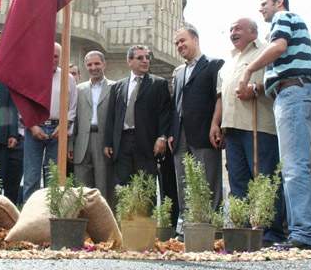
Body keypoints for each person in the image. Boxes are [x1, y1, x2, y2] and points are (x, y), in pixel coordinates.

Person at [238, 0, 311, 250]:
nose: (261, 9)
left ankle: (306, 233)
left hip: (293, 94)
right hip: (293, 93)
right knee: (293, 167)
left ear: (279, 2)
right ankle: (302, 230)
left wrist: (249, 69)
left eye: (264, 3)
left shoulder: (283, 17)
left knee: (294, 168)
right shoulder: (286, 21)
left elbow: (279, 46)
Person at [209, 18, 285, 244]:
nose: (233, 32)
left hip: (258, 127)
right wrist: (216, 123)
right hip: (231, 129)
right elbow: (221, 97)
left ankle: (271, 234)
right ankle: (242, 232)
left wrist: (255, 88)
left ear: (253, 32)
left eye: (238, 29)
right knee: (238, 181)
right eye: (231, 29)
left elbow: (275, 81)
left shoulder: (265, 52)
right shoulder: (228, 62)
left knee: (264, 180)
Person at [168, 25, 224, 238]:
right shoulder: (178, 72)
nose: (180, 45)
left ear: (196, 39)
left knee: (208, 180)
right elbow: (175, 104)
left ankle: (213, 229)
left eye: (183, 40)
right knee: (183, 181)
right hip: (180, 134)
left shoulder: (214, 65)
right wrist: (172, 131)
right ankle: (185, 230)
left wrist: (215, 124)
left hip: (204, 133)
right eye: (177, 43)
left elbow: (219, 97)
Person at [104, 45, 171, 188]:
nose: (145, 61)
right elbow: (111, 116)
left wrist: (162, 137)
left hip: (147, 143)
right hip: (122, 143)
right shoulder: (118, 86)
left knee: (146, 188)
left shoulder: (159, 84)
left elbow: (165, 113)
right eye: (140, 58)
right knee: (124, 188)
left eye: (147, 57)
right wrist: (108, 142)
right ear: (129, 61)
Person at [23, 42, 77, 202]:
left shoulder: (68, 78)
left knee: (53, 175)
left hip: (57, 130)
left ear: (60, 58)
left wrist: (64, 125)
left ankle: (52, 211)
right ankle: (29, 215)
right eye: (49, 56)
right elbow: (24, 105)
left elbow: (72, 106)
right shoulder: (31, 75)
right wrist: (32, 126)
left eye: (56, 56)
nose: (52, 59)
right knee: (31, 175)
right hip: (34, 128)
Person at [70, 51, 114, 201]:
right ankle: (83, 223)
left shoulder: (115, 88)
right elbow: (73, 119)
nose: (93, 67)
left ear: (104, 64)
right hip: (81, 143)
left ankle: (103, 223)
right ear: (85, 67)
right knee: (81, 189)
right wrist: (70, 145)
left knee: (103, 187)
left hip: (103, 143)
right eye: (89, 64)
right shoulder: (79, 89)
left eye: (97, 63)